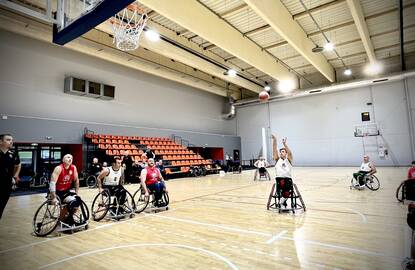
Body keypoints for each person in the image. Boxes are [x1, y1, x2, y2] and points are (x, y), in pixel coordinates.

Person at [49, 154, 82, 225]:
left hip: (66, 191)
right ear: (63, 160)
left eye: (71, 158)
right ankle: (61, 220)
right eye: (68, 157)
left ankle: (67, 218)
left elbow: (76, 180)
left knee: (77, 200)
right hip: (56, 192)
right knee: (71, 203)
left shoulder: (73, 168)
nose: (70, 159)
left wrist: (76, 193)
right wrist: (54, 197)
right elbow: (52, 183)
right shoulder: (58, 168)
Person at [0, 134, 21, 219]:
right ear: (1, 141)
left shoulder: (13, 154)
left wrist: (15, 175)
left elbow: (18, 164)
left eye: (12, 140)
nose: (11, 141)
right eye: (8, 140)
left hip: (6, 185)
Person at [272, 134, 293, 208]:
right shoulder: (278, 160)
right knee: (284, 185)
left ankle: (281, 201)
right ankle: (282, 201)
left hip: (288, 179)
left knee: (287, 190)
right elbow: (274, 151)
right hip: (280, 179)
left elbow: (290, 153)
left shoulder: (289, 160)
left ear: (286, 153)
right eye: (281, 152)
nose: (281, 153)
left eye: (283, 151)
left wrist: (284, 144)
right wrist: (274, 140)